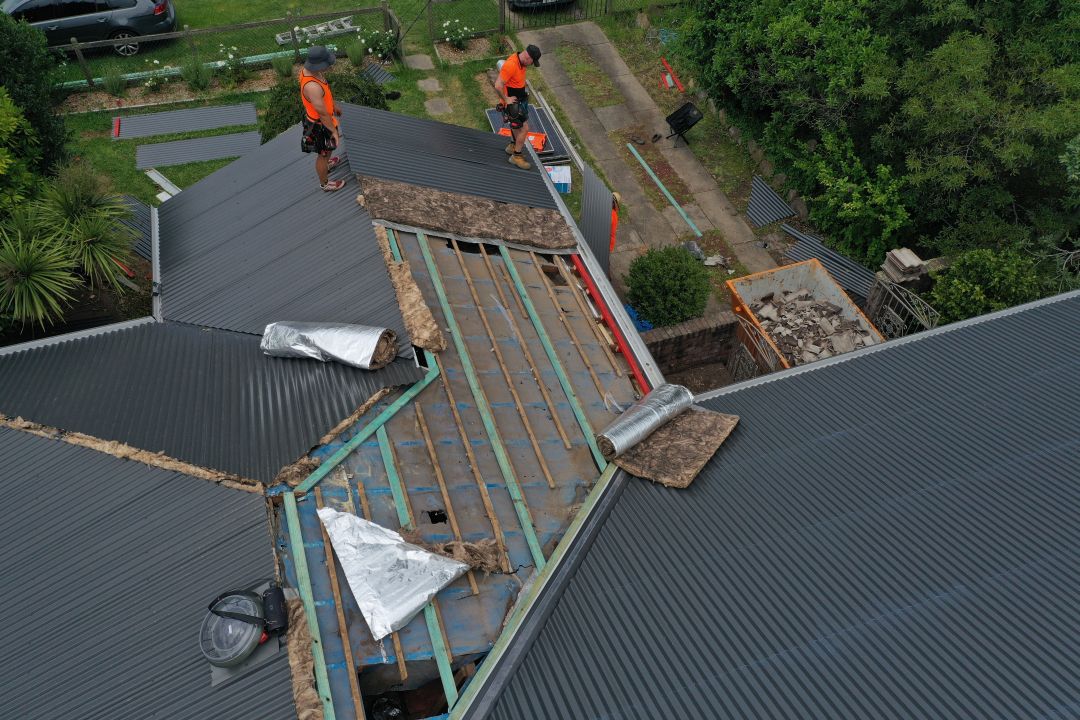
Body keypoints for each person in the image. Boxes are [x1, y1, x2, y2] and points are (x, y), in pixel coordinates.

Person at [299, 46, 345, 192]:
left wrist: (334, 106)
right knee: (323, 154)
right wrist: (333, 131)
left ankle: (327, 164)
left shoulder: (312, 72)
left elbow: (325, 96)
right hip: (320, 125)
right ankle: (325, 183)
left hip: (325, 119)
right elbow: (322, 113)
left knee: (329, 148)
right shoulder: (312, 86)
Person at [494, 44, 541, 170]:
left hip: (518, 101)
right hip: (512, 104)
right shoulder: (511, 65)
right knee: (524, 129)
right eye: (533, 62)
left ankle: (512, 146)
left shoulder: (521, 62)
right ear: (528, 57)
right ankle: (516, 156)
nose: (532, 64)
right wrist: (506, 100)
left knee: (516, 127)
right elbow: (498, 85)